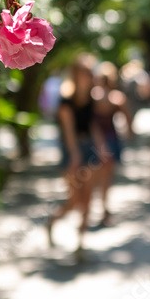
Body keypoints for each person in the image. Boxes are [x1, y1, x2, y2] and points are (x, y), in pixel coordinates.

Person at [47, 54, 108, 259]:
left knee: (88, 199)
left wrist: (101, 148)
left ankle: (80, 245)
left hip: (88, 147)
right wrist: (74, 155)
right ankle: (51, 222)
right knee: (74, 200)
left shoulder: (91, 99)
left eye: (90, 72)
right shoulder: (66, 99)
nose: (89, 76)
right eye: (85, 72)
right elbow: (68, 131)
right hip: (71, 149)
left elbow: (92, 126)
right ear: (76, 73)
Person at [91, 62, 133, 227]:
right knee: (107, 178)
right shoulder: (117, 97)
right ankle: (104, 208)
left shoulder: (93, 96)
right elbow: (128, 118)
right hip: (112, 139)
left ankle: (98, 208)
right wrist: (130, 134)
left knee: (96, 177)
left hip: (95, 141)